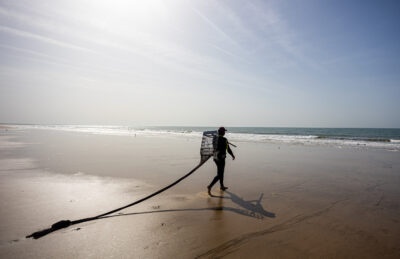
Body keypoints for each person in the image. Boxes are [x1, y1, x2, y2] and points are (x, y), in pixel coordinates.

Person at [207, 127, 235, 195]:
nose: (225, 132)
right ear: (223, 133)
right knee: (220, 174)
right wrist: (232, 155)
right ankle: (210, 186)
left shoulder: (215, 139)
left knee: (220, 172)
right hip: (221, 158)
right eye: (224, 132)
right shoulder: (224, 139)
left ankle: (222, 186)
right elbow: (228, 149)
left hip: (215, 158)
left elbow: (213, 147)